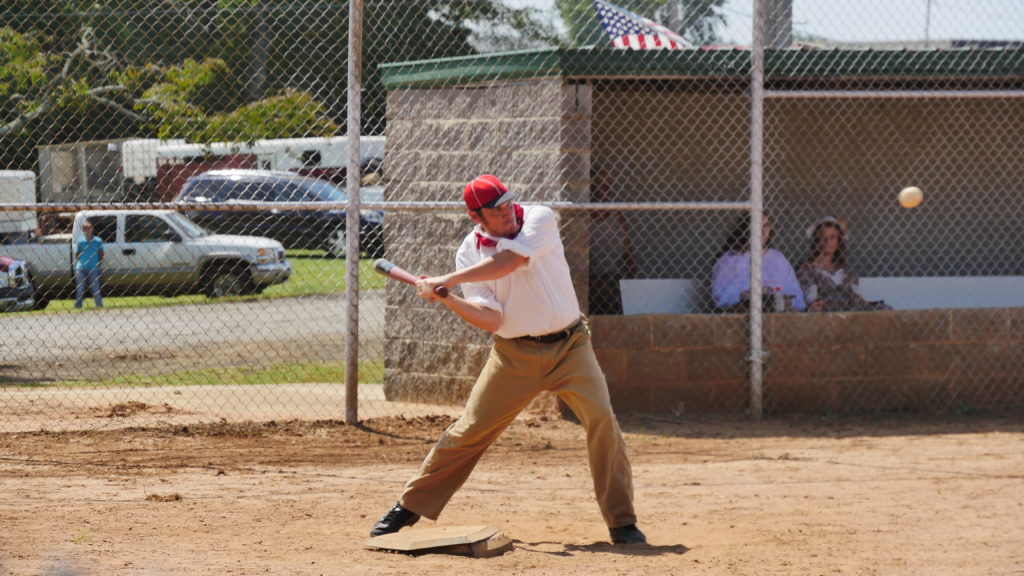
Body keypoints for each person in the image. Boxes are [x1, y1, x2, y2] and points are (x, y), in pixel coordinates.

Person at [369, 174, 646, 545]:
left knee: (602, 420)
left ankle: (622, 523)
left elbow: (509, 262)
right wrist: (449, 298)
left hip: (571, 347)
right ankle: (409, 504)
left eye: (506, 203)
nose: (506, 214)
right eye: (495, 212)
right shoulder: (470, 251)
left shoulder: (538, 218)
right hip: (514, 355)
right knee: (469, 431)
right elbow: (492, 319)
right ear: (476, 218)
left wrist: (444, 279)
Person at [711, 213, 805, 312]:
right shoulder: (730, 259)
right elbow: (720, 297)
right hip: (741, 313)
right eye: (757, 225)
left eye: (766, 226)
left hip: (776, 315)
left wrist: (775, 293)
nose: (762, 232)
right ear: (745, 230)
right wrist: (744, 294)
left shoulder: (778, 259)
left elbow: (797, 296)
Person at [797, 216, 891, 312]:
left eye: (832, 237)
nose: (827, 242)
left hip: (850, 313)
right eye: (822, 237)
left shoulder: (846, 271)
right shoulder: (806, 269)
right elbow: (811, 299)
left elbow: (857, 299)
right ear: (816, 240)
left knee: (885, 309)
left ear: (839, 241)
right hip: (824, 313)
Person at [588, 168, 636, 315]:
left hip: (614, 276)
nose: (607, 190)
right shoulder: (585, 218)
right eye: (602, 186)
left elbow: (628, 252)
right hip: (591, 278)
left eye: (608, 186)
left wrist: (632, 278)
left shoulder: (617, 216)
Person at [74, 220, 104, 309]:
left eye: (88, 229)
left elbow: (101, 254)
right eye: (85, 229)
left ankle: (99, 305)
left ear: (92, 229)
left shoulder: (98, 241)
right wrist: (82, 261)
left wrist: (98, 263)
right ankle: (78, 306)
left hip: (93, 268)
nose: (87, 231)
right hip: (81, 268)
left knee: (96, 288)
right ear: (83, 231)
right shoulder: (80, 241)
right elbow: (77, 254)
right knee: (80, 288)